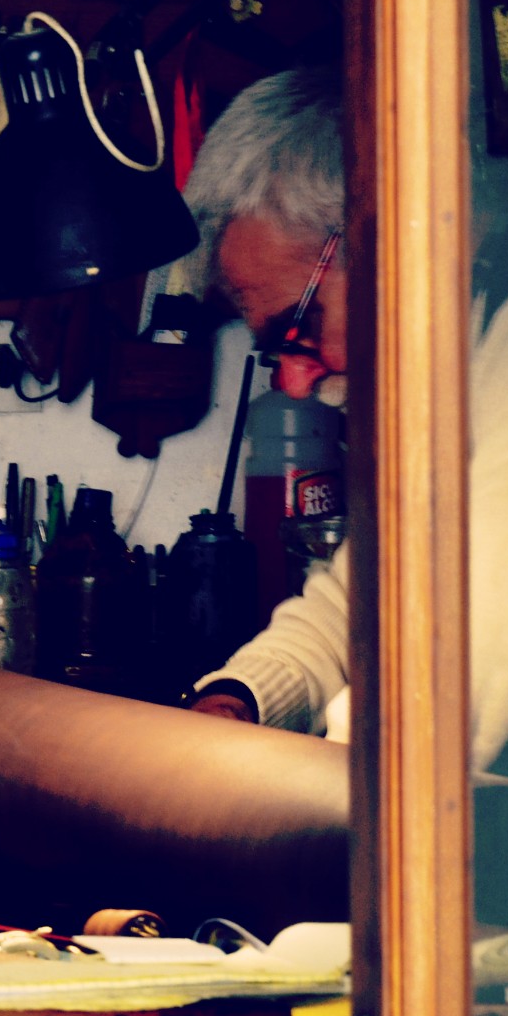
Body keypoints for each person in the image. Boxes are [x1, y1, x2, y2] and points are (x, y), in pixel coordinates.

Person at [178, 65, 352, 736]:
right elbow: (351, 608)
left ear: (372, 240)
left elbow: (499, 659)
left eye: (297, 327)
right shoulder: (418, 417)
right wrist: (239, 695)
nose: (295, 385)